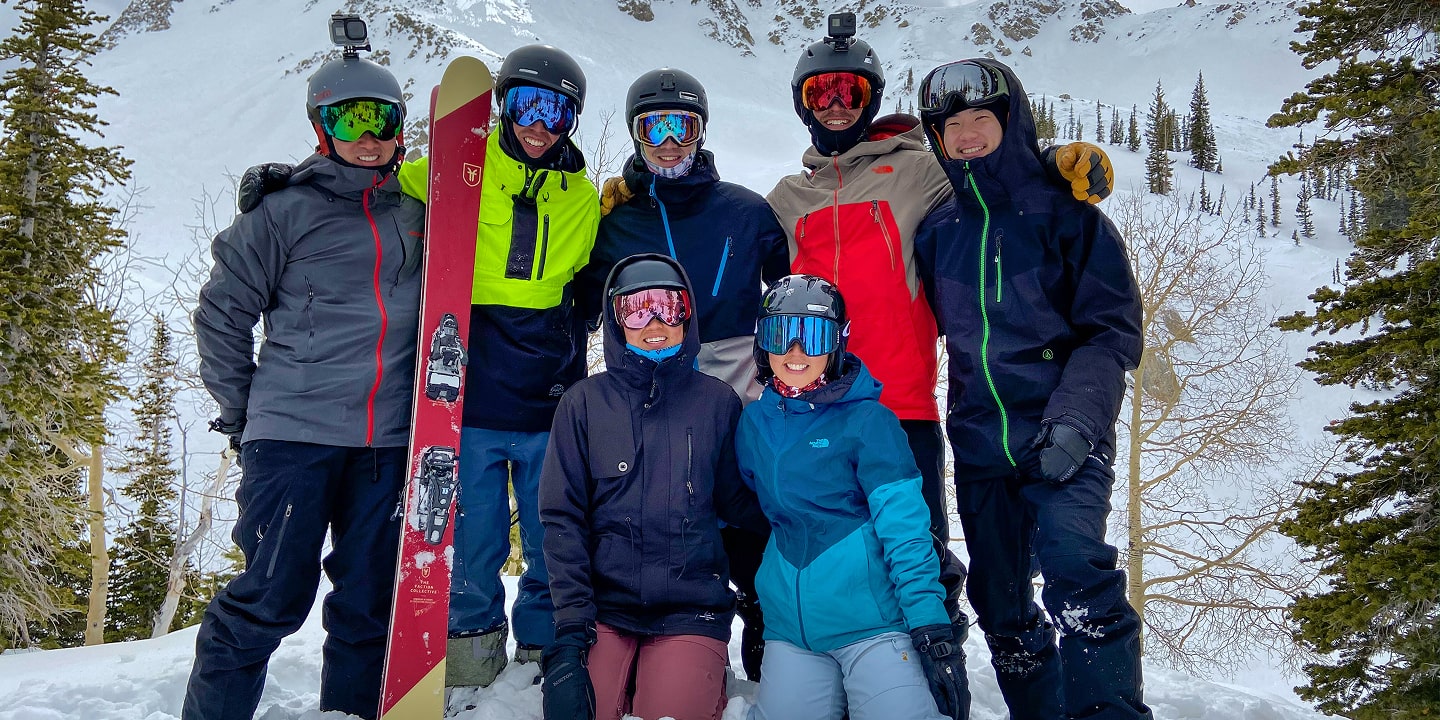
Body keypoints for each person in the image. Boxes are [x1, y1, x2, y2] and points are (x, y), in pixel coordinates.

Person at [765, 20, 1114, 628]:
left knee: (919, 564)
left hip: (902, 406)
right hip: (816, 407)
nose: (838, 105)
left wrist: (1054, 164)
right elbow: (724, 244)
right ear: (802, 104)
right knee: (833, 554)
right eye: (821, 93)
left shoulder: (920, 171)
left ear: (872, 97)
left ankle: (934, 683)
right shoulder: (788, 197)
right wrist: (638, 192)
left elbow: (989, 180)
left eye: (851, 90)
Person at [185, 46, 421, 720]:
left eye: (381, 120)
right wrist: (242, 410)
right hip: (294, 438)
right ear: (323, 129)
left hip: (387, 443)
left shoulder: (416, 209)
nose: (368, 138)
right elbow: (223, 312)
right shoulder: (282, 212)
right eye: (350, 123)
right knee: (269, 597)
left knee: (369, 604)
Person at [912, 58, 1151, 720]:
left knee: (1077, 571)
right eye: (952, 125)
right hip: (983, 442)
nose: (966, 136)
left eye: (981, 121)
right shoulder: (939, 233)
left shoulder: (1069, 217)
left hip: (1064, 430)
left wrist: (1076, 422)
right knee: (1000, 602)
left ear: (1010, 123)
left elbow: (1111, 333)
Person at [395, 43, 601, 687]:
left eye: (557, 112)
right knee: (474, 534)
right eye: (527, 105)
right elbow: (369, 179)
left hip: (550, 391)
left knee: (550, 534)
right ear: (502, 107)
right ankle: (468, 649)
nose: (540, 125)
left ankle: (545, 647)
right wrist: (291, 176)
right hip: (468, 392)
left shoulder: (586, 197)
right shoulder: (453, 170)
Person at [577, 67, 788, 680]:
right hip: (652, 384)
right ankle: (665, 632)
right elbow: (583, 305)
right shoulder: (620, 221)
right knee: (670, 510)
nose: (669, 141)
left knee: (746, 505)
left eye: (682, 126)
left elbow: (796, 288)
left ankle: (763, 620)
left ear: (700, 133)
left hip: (734, 377)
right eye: (654, 127)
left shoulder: (746, 212)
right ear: (636, 136)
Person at [538, 253, 770, 720]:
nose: (655, 321)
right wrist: (568, 634)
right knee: (585, 710)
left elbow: (743, 510)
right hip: (604, 611)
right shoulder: (584, 404)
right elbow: (562, 519)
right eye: (638, 309)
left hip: (689, 609)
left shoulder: (717, 403)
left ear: (688, 313)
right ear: (617, 319)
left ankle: (679, 673)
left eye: (669, 305)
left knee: (669, 713)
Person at [736, 275, 969, 720]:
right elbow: (748, 512)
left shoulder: (870, 423)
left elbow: (906, 532)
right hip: (794, 633)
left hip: (873, 627)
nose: (795, 353)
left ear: (838, 342)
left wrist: (930, 627)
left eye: (814, 336)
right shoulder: (753, 426)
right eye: (780, 336)